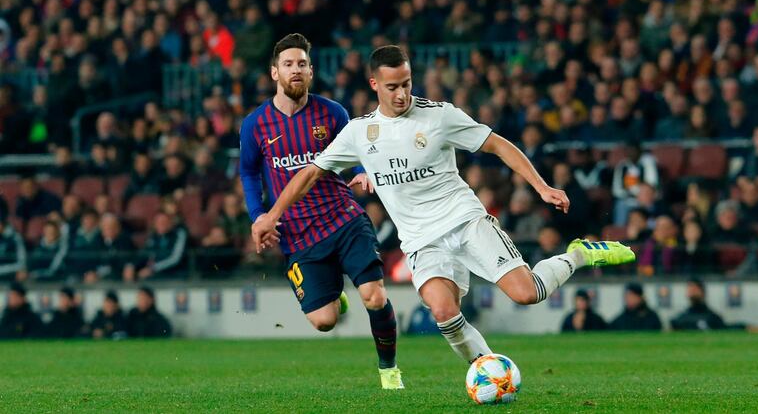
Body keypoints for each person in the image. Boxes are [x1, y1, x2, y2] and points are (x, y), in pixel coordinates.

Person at [253, 45, 634, 366]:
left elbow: (498, 144)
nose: (401, 94)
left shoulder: (439, 116)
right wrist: (271, 215)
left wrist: (542, 186)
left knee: (526, 293)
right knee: (443, 312)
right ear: (374, 85)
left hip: (465, 221)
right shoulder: (359, 132)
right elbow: (308, 174)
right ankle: (488, 370)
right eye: (392, 87)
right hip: (421, 241)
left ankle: (579, 254)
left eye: (406, 84)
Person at [238, 34, 402, 389]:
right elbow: (249, 172)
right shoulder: (255, 124)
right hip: (299, 235)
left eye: (301, 64)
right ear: (274, 73)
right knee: (324, 321)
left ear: (311, 72)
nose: (295, 70)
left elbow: (359, 153)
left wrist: (362, 169)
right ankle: (332, 294)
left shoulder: (332, 113)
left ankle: (389, 370)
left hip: (343, 218)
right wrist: (258, 216)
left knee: (374, 295)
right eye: (288, 65)